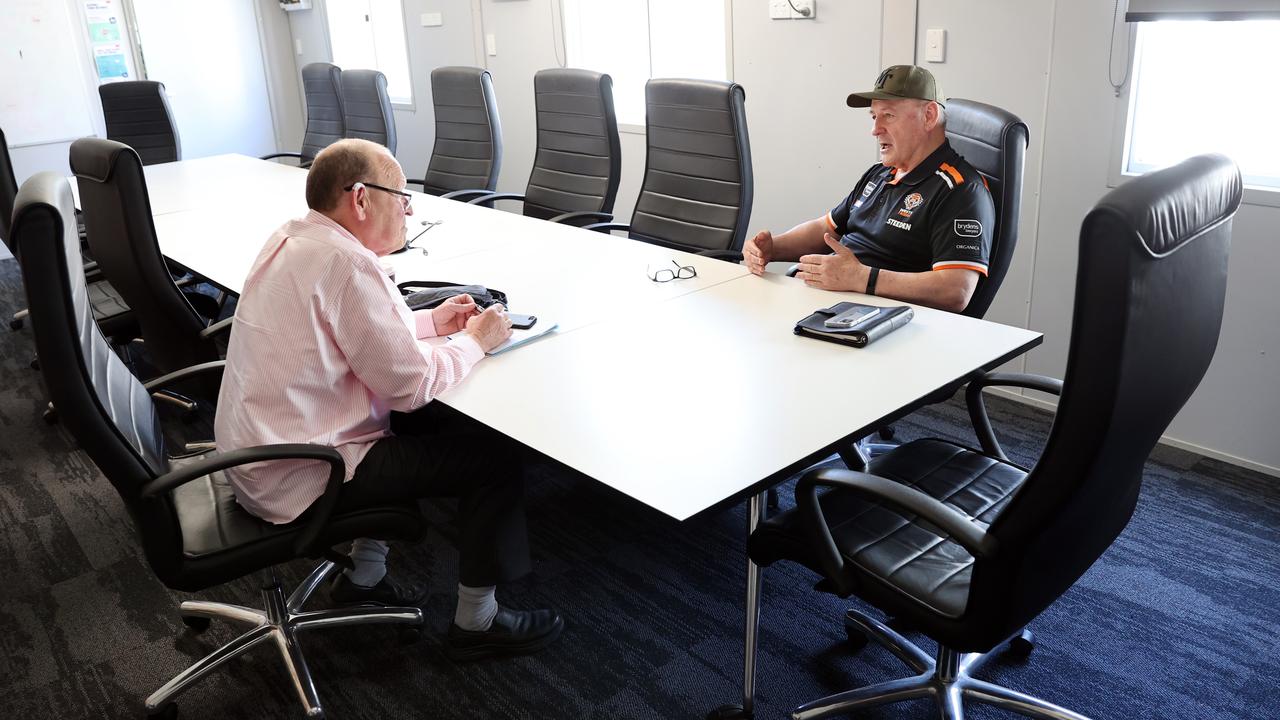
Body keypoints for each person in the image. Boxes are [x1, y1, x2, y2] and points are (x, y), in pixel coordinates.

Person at [214, 138, 562, 661]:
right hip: (306, 470)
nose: (409, 208)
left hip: (260, 455)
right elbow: (409, 387)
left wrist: (431, 321)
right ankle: (478, 621)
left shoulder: (295, 239)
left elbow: (349, 332)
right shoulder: (348, 265)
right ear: (360, 199)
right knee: (491, 456)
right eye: (400, 195)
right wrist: (476, 340)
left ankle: (364, 575)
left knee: (420, 428)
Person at [743, 65, 995, 314]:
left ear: (929, 116)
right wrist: (771, 248)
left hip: (877, 323)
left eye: (888, 115)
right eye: (874, 116)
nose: (875, 130)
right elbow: (825, 229)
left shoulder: (962, 190)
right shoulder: (881, 173)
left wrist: (862, 278)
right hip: (827, 304)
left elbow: (956, 290)